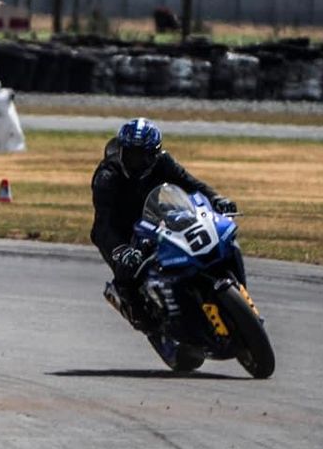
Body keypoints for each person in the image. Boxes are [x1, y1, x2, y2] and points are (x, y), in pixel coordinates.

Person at [91, 117, 237, 331]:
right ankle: (132, 306)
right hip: (116, 231)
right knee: (128, 273)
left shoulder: (163, 162)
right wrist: (121, 250)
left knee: (194, 231)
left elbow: (191, 184)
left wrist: (216, 199)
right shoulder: (106, 177)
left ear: (155, 154)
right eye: (131, 155)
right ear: (121, 151)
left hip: (152, 216)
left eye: (143, 157)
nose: (136, 162)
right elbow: (104, 223)